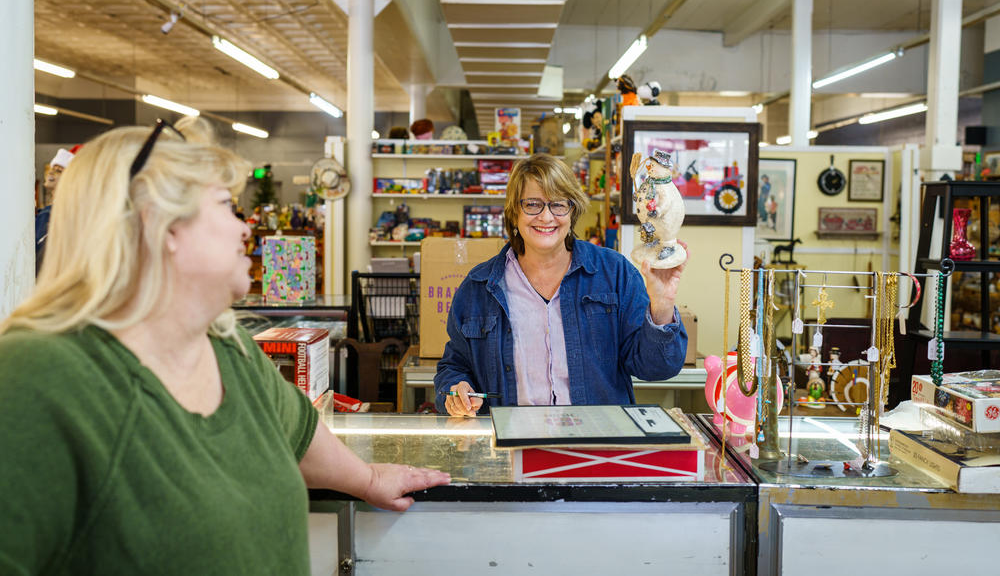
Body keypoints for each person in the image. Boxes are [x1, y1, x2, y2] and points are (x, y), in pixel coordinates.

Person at [0, 121, 449, 573]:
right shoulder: (38, 376)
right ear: (161, 223)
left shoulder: (226, 347)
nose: (243, 229)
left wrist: (368, 478)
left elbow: (296, 433)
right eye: (224, 206)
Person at [434, 153, 687, 417]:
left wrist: (662, 304)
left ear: (572, 210)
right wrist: (456, 389)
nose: (546, 217)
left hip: (595, 447)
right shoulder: (478, 287)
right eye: (533, 204)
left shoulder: (614, 272)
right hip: (512, 448)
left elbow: (658, 367)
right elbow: (454, 366)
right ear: (514, 213)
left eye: (558, 204)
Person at [35, 146, 78, 273]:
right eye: (52, 168)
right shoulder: (48, 212)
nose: (51, 173)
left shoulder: (53, 214)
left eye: (59, 170)